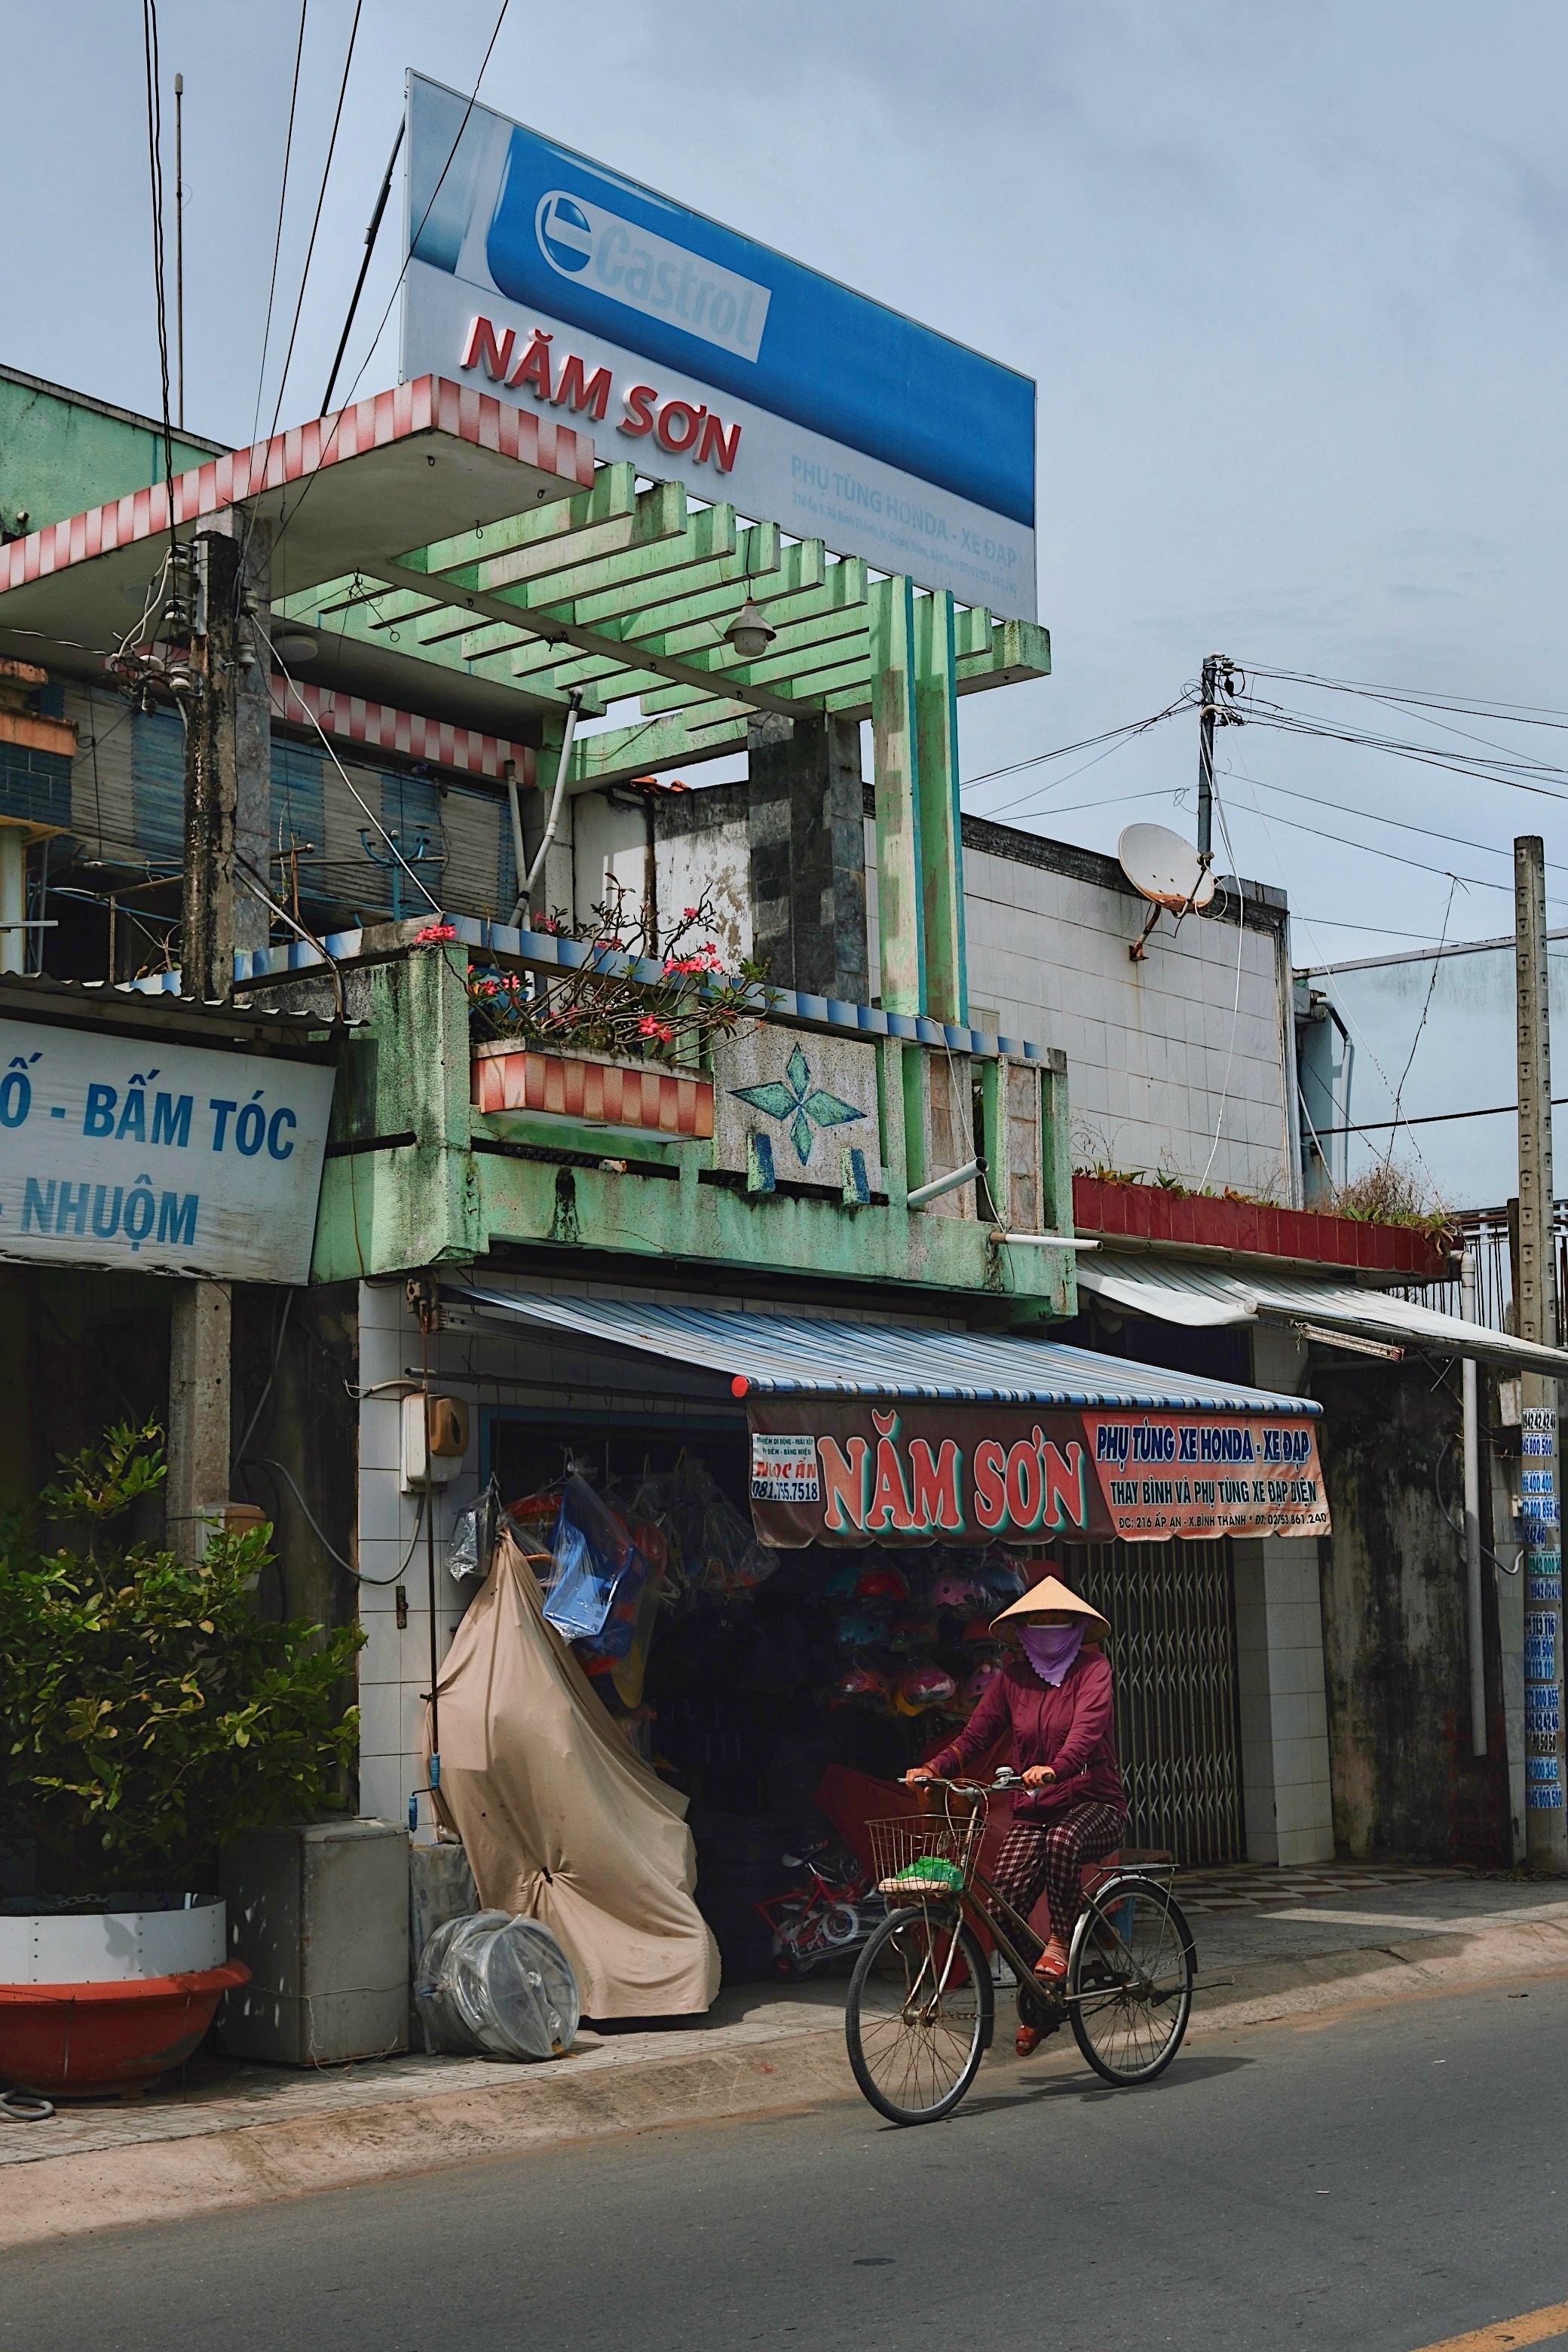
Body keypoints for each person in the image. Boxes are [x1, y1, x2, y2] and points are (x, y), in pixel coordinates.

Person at [906, 1572, 1125, 2057]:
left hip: (1096, 1804)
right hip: (1034, 1810)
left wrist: (1057, 1768)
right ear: (1022, 1630)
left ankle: (1061, 1944)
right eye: (1037, 1623)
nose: (1047, 1630)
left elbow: (1087, 1733)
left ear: (1074, 1626)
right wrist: (933, 1767)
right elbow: (975, 1735)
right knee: (1001, 1909)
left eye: (1056, 1622)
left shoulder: (1094, 1671)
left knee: (1062, 1842)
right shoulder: (1012, 1678)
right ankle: (1045, 2004)